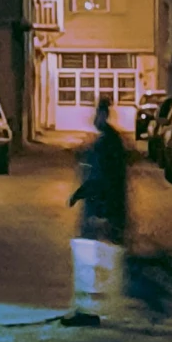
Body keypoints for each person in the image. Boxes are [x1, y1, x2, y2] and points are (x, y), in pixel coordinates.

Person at [69, 97, 128, 243]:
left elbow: (99, 176)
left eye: (98, 114)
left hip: (104, 205)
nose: (95, 119)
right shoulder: (110, 138)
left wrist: (79, 193)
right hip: (111, 203)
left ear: (103, 115)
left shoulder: (106, 142)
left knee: (100, 245)